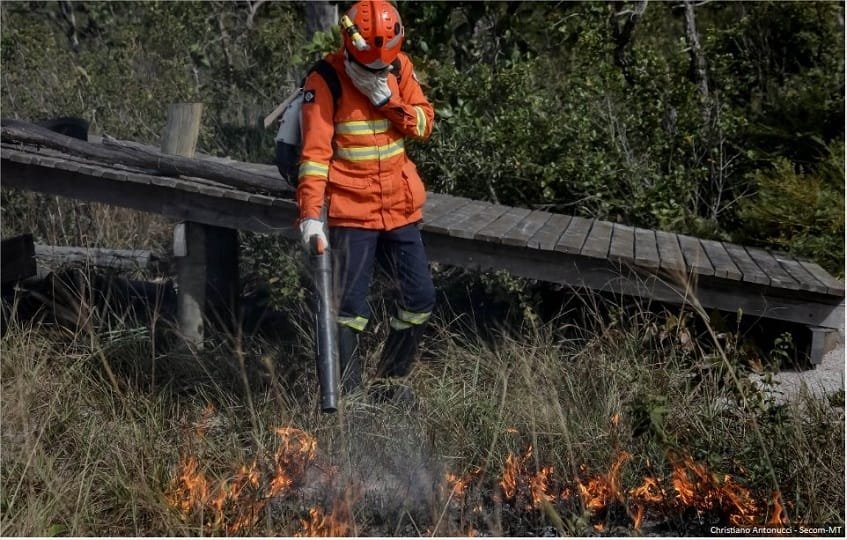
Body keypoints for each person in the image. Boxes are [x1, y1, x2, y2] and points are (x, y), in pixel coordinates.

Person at [296, 1, 436, 400]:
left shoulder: (400, 67)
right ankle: (351, 400)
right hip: (351, 212)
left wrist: (387, 101)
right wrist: (310, 218)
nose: (379, 71)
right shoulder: (325, 79)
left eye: (384, 65)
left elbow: (425, 124)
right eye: (371, 66)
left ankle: (388, 384)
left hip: (400, 207)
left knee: (420, 299)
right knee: (350, 311)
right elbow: (315, 156)